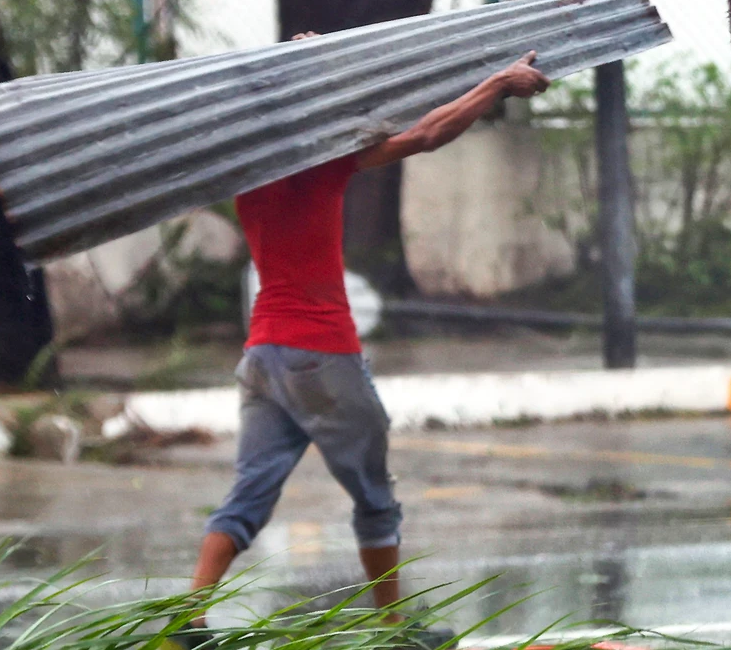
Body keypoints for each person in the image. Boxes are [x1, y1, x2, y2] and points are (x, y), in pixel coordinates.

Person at [175, 44, 551, 649]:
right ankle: (394, 630)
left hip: (263, 357)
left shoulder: (247, 174)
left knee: (247, 498)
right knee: (375, 498)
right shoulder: (317, 161)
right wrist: (498, 84)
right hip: (321, 354)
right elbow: (427, 134)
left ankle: (186, 623)